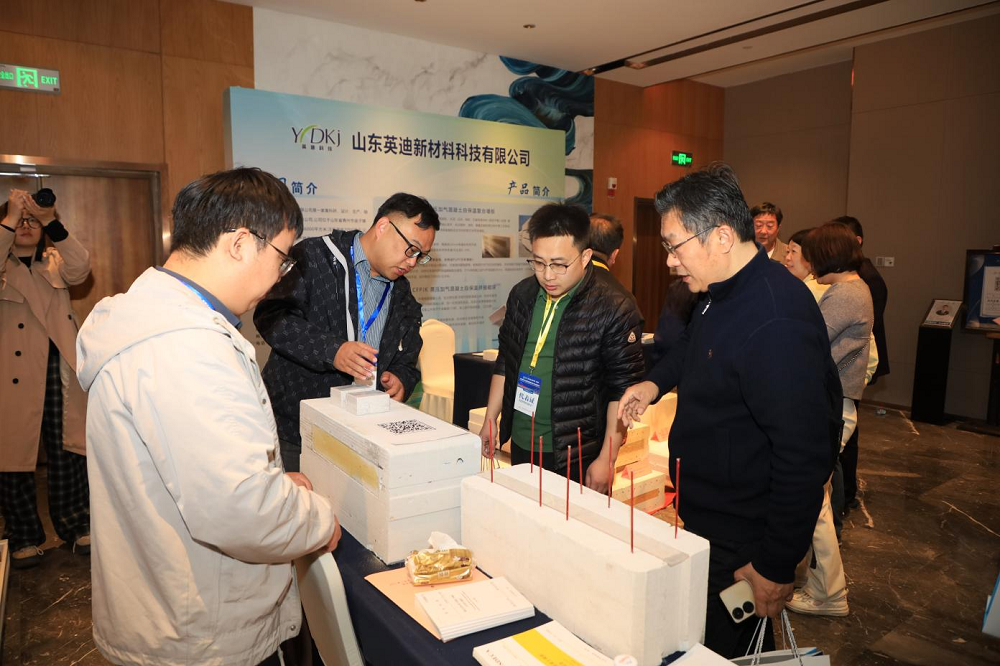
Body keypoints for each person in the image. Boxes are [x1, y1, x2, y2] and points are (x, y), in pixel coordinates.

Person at [76, 168, 340, 666]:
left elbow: (197, 472)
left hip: (164, 607)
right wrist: (318, 519)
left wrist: (272, 483)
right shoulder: (188, 347)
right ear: (240, 244)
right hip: (201, 633)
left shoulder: (149, 319)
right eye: (282, 258)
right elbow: (241, 510)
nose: (279, 277)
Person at [618, 164, 841, 658]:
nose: (670, 261)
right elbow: (693, 346)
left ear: (720, 236)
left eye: (674, 246)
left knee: (725, 649)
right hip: (711, 516)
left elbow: (802, 456)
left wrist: (775, 565)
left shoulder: (775, 317)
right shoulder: (720, 291)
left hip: (745, 537)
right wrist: (653, 383)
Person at [254, 193, 439, 472]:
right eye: (411, 249)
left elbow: (410, 346)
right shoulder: (314, 257)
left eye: (421, 256)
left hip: (361, 430)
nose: (412, 262)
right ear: (383, 227)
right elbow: (272, 316)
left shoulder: (400, 289)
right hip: (295, 428)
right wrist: (332, 351)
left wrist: (402, 377)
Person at [482, 203, 644, 491]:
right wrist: (491, 418)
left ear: (585, 256)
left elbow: (622, 390)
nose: (547, 275)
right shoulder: (523, 295)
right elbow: (506, 360)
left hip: (575, 451)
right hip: (521, 439)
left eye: (559, 264)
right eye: (538, 262)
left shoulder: (614, 306)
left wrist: (607, 458)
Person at [785, 222, 873, 618]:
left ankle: (829, 593)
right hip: (832, 405)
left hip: (831, 407)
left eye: (811, 255)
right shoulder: (851, 289)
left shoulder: (846, 293)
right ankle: (823, 586)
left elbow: (806, 344)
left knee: (812, 499)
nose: (808, 262)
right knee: (814, 496)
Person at [0, 188, 91, 569]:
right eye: (18, 221)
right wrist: (10, 216)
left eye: (32, 222)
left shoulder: (55, 262)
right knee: (14, 456)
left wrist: (50, 218)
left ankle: (77, 524)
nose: (26, 225)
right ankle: (23, 535)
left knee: (68, 450)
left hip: (59, 367)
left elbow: (82, 268)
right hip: (12, 371)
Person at [834, 215, 888, 513]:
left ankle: (846, 495)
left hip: (856, 363)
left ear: (856, 241)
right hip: (852, 362)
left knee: (846, 435)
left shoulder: (863, 280)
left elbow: (867, 331)